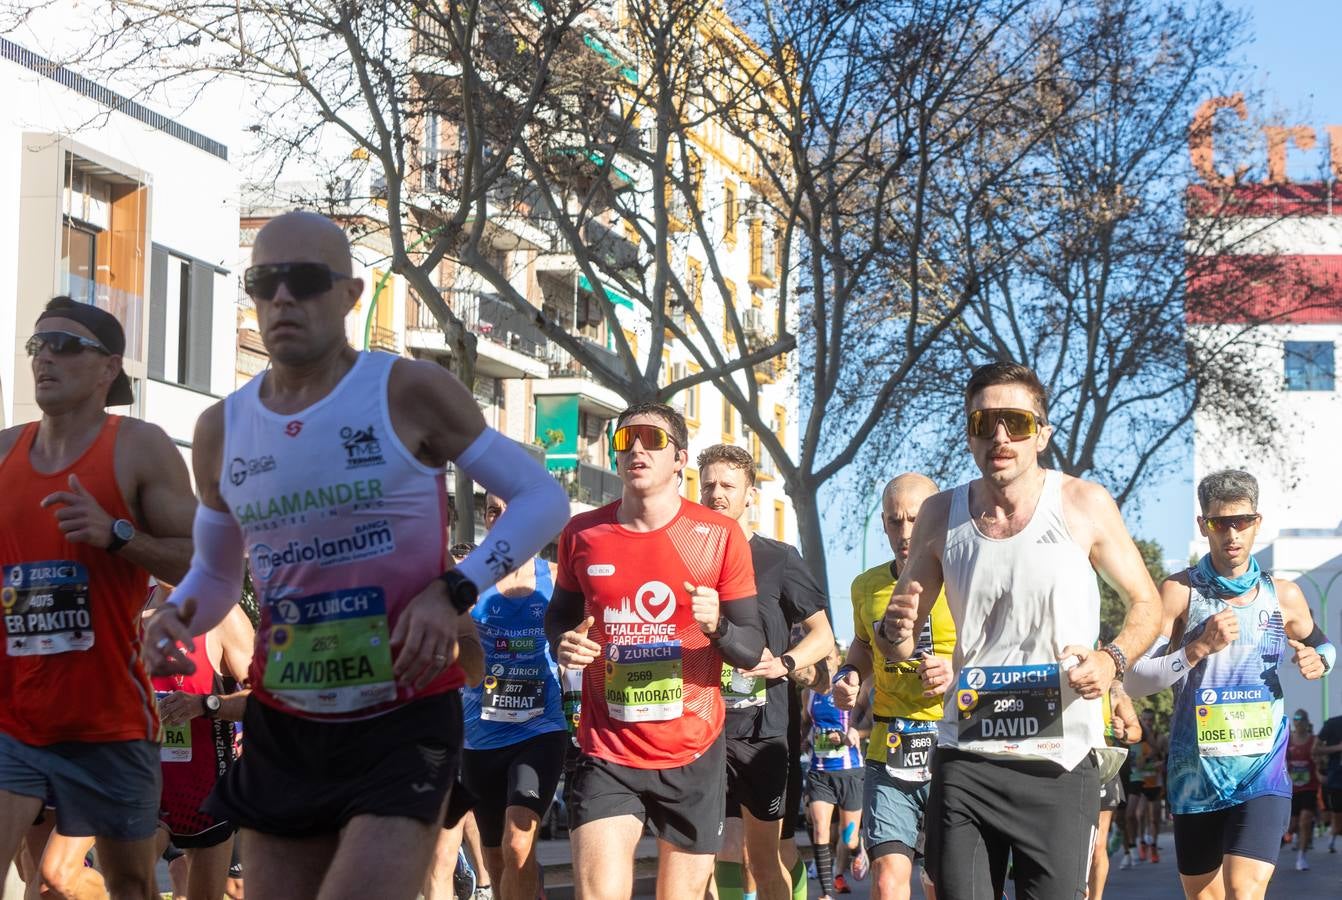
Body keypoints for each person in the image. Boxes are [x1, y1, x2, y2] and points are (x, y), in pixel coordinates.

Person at [141, 210, 570, 900]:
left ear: (349, 295)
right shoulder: (222, 428)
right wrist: (178, 619)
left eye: (305, 281)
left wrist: (454, 591)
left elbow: (541, 499)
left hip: (402, 718)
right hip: (285, 720)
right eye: (264, 282)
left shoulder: (408, 392)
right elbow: (217, 575)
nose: (282, 298)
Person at [877, 362, 1163, 900]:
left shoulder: (1083, 503)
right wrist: (895, 630)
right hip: (967, 753)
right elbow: (900, 634)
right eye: (984, 424)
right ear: (969, 435)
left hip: (1056, 759)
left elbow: (1147, 604)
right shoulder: (941, 513)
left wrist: (1112, 660)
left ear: (1042, 433)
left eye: (1016, 422)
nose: (1000, 437)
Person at [0, 296, 197, 900]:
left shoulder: (139, 446)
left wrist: (117, 534)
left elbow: (201, 559)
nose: (46, 358)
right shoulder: (3, 450)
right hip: (13, 716)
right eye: (38, 345)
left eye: (66, 345)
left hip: (109, 718)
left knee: (131, 884)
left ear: (108, 367)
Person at [546, 402, 764, 900]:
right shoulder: (583, 534)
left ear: (680, 458)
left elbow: (751, 649)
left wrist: (719, 626)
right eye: (625, 440)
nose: (637, 447)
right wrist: (564, 641)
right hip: (607, 749)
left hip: (692, 750)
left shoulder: (718, 536)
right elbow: (559, 616)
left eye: (652, 439)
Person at [1121, 468, 1333, 900]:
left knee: (1244, 890)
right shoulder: (1180, 592)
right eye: (1220, 523)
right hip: (1194, 776)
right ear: (1204, 526)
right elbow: (1136, 679)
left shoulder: (1283, 594)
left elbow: (1324, 645)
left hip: (1262, 772)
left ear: (1257, 523)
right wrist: (1197, 648)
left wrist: (1319, 662)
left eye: (1242, 522)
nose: (1232, 534)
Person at [697, 444, 832, 900]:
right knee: (722, 848)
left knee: (768, 853)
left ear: (749, 494)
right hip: (704, 724)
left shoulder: (778, 558)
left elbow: (823, 637)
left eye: (728, 486)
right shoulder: (689, 558)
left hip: (765, 727)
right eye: (709, 484)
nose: (717, 494)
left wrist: (788, 662)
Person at [833, 473, 954, 900]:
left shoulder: (965, 576)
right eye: (893, 521)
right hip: (890, 748)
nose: (904, 533)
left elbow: (998, 649)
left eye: (915, 521)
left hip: (955, 748)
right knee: (887, 881)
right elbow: (863, 647)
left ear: (937, 520)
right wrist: (848, 673)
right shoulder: (866, 586)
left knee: (946, 883)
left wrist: (955, 669)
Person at [458, 494, 568, 900]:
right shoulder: (466, 583)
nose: (501, 517)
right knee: (496, 861)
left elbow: (592, 631)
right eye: (492, 510)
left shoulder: (556, 579)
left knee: (519, 844)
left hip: (541, 730)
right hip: (481, 738)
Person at [148, 582, 254, 900]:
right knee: (126, 878)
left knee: (221, 890)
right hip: (144, 779)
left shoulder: (222, 614)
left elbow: (267, 697)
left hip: (204, 789)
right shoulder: (134, 605)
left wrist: (205, 705)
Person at [804, 647, 865, 900]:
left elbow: (869, 722)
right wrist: (802, 743)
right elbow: (804, 723)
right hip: (819, 771)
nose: (825, 664)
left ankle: (860, 848)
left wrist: (854, 735)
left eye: (829, 658)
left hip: (849, 771)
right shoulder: (809, 692)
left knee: (848, 839)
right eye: (821, 659)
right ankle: (827, 893)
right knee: (820, 830)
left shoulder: (852, 689)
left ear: (839, 659)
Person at [1090, 685, 1143, 900]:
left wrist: (1124, 732)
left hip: (1101, 767)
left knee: (1097, 845)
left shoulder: (1114, 691)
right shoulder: (1061, 677)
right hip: (1062, 768)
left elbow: (1136, 731)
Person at [1122, 709, 1165, 866]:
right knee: (1138, 815)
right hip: (1138, 779)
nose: (1148, 723)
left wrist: (1151, 760)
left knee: (1153, 817)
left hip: (1153, 781)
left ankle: (1152, 845)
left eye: (1150, 720)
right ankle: (1140, 843)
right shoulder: (1131, 734)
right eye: (1145, 720)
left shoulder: (1157, 738)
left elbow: (1161, 755)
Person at [1287, 709, 1320, 870]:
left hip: (1310, 787)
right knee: (1291, 826)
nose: (1297, 722)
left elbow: (1321, 759)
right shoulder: (1288, 740)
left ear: (1307, 722)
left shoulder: (1314, 740)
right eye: (1295, 719)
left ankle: (1301, 857)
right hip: (1291, 789)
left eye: (1300, 719)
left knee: (1305, 820)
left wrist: (1319, 762)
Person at [1317, 711, 1342, 853]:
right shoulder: (1333, 724)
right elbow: (1316, 749)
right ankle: (1332, 836)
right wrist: (1338, 748)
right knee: (1336, 818)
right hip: (1337, 780)